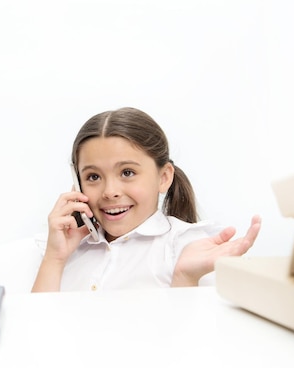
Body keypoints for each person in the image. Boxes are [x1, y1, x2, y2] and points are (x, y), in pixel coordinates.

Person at [31, 107, 261, 292]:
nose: (110, 191)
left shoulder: (187, 246)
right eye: (93, 176)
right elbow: (35, 333)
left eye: (127, 173)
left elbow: (199, 340)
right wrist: (55, 258)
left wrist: (185, 277)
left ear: (163, 177)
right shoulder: (65, 250)